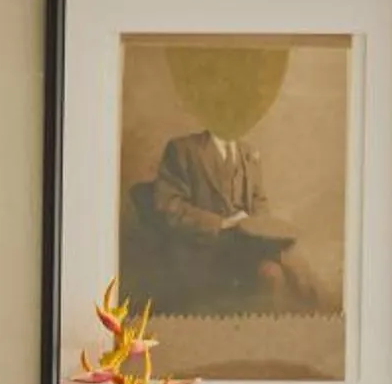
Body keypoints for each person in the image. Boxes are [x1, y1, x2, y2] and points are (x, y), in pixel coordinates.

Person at [126, 128, 333, 315]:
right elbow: (169, 206)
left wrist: (255, 225)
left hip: (245, 245)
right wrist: (221, 223)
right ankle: (328, 311)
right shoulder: (182, 149)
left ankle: (316, 316)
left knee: (275, 269)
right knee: (282, 266)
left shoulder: (248, 153)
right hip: (206, 249)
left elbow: (260, 205)